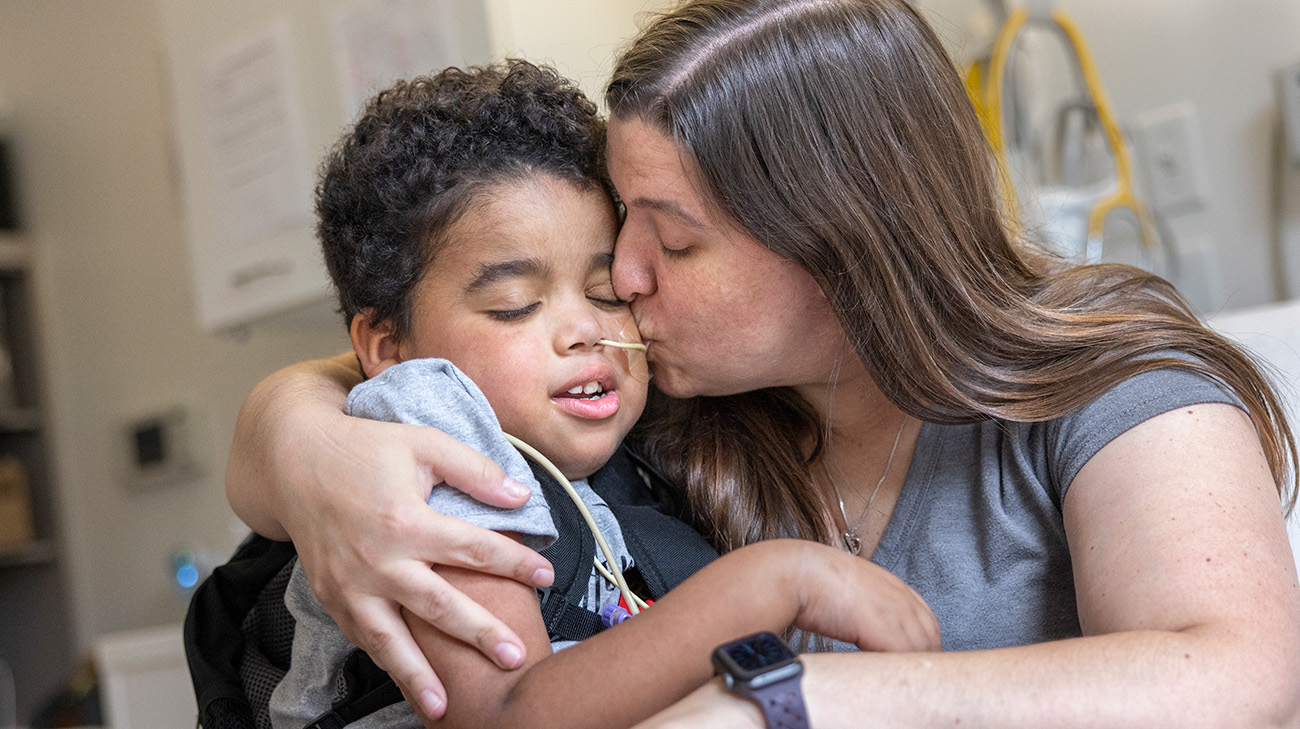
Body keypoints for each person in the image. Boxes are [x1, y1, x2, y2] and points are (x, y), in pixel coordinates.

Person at [227, 1, 1300, 726]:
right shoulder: (673, 411)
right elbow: (411, 372)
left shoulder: (1102, 385)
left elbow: (1245, 678)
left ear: (833, 242)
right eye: (620, 239)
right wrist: (301, 436)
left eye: (669, 241)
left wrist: (803, 700)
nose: (624, 290)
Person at [267, 59, 938, 729]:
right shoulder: (427, 430)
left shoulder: (638, 442)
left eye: (605, 293)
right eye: (515, 304)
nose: (587, 329)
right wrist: (779, 580)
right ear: (388, 349)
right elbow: (505, 712)